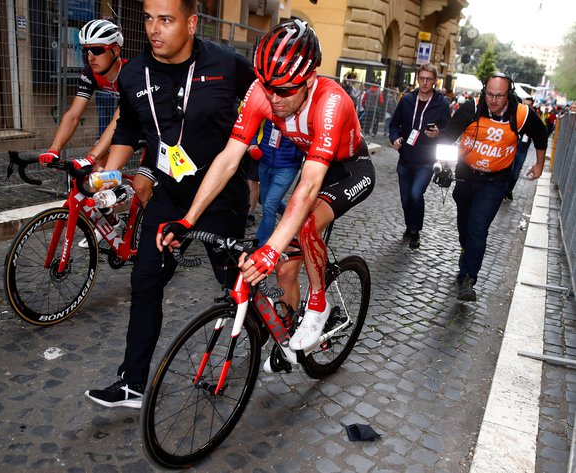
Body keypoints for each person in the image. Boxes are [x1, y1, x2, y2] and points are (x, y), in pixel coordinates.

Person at [158, 19, 375, 355]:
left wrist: (270, 247)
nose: (273, 98)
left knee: (302, 225)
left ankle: (319, 304)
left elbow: (308, 188)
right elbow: (229, 158)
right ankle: (288, 331)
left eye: (285, 90)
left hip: (348, 171)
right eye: (267, 86)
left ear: (310, 81)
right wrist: (188, 219)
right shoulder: (262, 91)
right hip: (314, 164)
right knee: (286, 269)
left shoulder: (332, 102)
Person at [84, 0, 255, 408]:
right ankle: (133, 383)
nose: (154, 29)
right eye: (148, 19)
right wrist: (107, 172)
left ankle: (253, 342)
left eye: (166, 19)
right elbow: (128, 126)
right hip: (167, 195)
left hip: (218, 200)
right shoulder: (133, 73)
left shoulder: (227, 65)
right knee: (144, 284)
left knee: (231, 283)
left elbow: (268, 102)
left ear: (191, 23)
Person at [440, 72, 548, 302]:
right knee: (464, 227)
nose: (493, 99)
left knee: (478, 228)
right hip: (466, 177)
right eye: (489, 94)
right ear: (483, 91)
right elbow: (448, 137)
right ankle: (466, 251)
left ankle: (468, 278)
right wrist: (441, 163)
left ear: (508, 93)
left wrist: (539, 164)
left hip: (495, 181)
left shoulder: (521, 114)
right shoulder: (470, 108)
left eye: (499, 95)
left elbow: (540, 135)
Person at [38, 19, 126, 168]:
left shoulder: (130, 73)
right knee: (96, 174)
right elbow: (73, 115)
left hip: (148, 129)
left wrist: (91, 157)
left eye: (97, 50)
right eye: (86, 50)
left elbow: (119, 120)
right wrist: (54, 150)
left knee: (141, 186)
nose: (90, 57)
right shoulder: (91, 73)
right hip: (125, 127)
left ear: (115, 50)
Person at [388, 63, 450, 249]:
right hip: (406, 156)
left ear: (435, 81)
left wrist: (439, 133)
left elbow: (450, 130)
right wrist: (395, 139)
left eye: (429, 79)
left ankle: (415, 231)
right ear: (417, 79)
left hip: (427, 159)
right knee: (406, 198)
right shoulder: (407, 100)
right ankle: (409, 226)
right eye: (422, 78)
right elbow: (393, 125)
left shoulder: (442, 104)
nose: (424, 82)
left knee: (416, 195)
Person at [249, 119, 303, 246]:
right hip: (264, 162)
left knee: (269, 206)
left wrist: (296, 156)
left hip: (287, 168)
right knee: (266, 201)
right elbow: (253, 124)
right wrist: (253, 143)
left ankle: (261, 244)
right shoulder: (268, 108)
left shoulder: (300, 116)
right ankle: (294, 220)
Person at [505, 96, 538, 201]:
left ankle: (509, 190)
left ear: (532, 106)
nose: (526, 106)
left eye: (529, 105)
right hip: (511, 147)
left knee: (515, 173)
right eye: (525, 104)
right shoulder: (516, 115)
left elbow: (539, 134)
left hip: (522, 150)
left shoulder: (533, 118)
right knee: (507, 170)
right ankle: (503, 191)